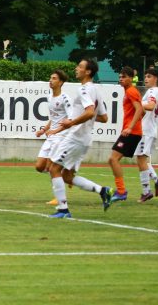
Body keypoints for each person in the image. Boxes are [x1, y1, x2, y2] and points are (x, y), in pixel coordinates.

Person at [47, 59, 111, 218]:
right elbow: (103, 117)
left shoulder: (83, 90)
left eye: (80, 67)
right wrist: (78, 117)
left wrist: (72, 122)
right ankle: (103, 191)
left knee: (54, 169)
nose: (76, 69)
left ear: (88, 72)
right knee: (67, 176)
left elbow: (90, 112)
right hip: (85, 139)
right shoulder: (95, 90)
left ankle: (63, 210)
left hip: (75, 137)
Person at [34, 69, 73, 206]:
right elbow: (53, 118)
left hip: (61, 136)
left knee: (51, 167)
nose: (50, 80)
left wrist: (56, 130)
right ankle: (63, 175)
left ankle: (58, 197)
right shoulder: (50, 98)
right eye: (50, 78)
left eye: (54, 78)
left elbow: (70, 120)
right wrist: (44, 129)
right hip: (51, 136)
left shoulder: (65, 98)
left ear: (61, 82)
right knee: (39, 166)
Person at [108, 66, 143, 203]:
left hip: (132, 132)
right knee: (112, 159)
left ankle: (121, 191)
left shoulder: (131, 91)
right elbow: (142, 111)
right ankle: (121, 191)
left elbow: (139, 109)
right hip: (133, 131)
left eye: (123, 77)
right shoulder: (129, 91)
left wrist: (130, 127)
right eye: (120, 77)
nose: (120, 79)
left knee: (113, 159)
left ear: (130, 78)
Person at [135, 68, 158, 202]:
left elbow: (151, 106)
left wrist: (137, 104)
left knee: (141, 159)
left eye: (149, 76)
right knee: (142, 159)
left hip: (146, 131)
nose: (146, 79)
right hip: (151, 131)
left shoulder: (152, 92)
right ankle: (156, 180)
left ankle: (146, 191)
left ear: (155, 78)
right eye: (145, 76)